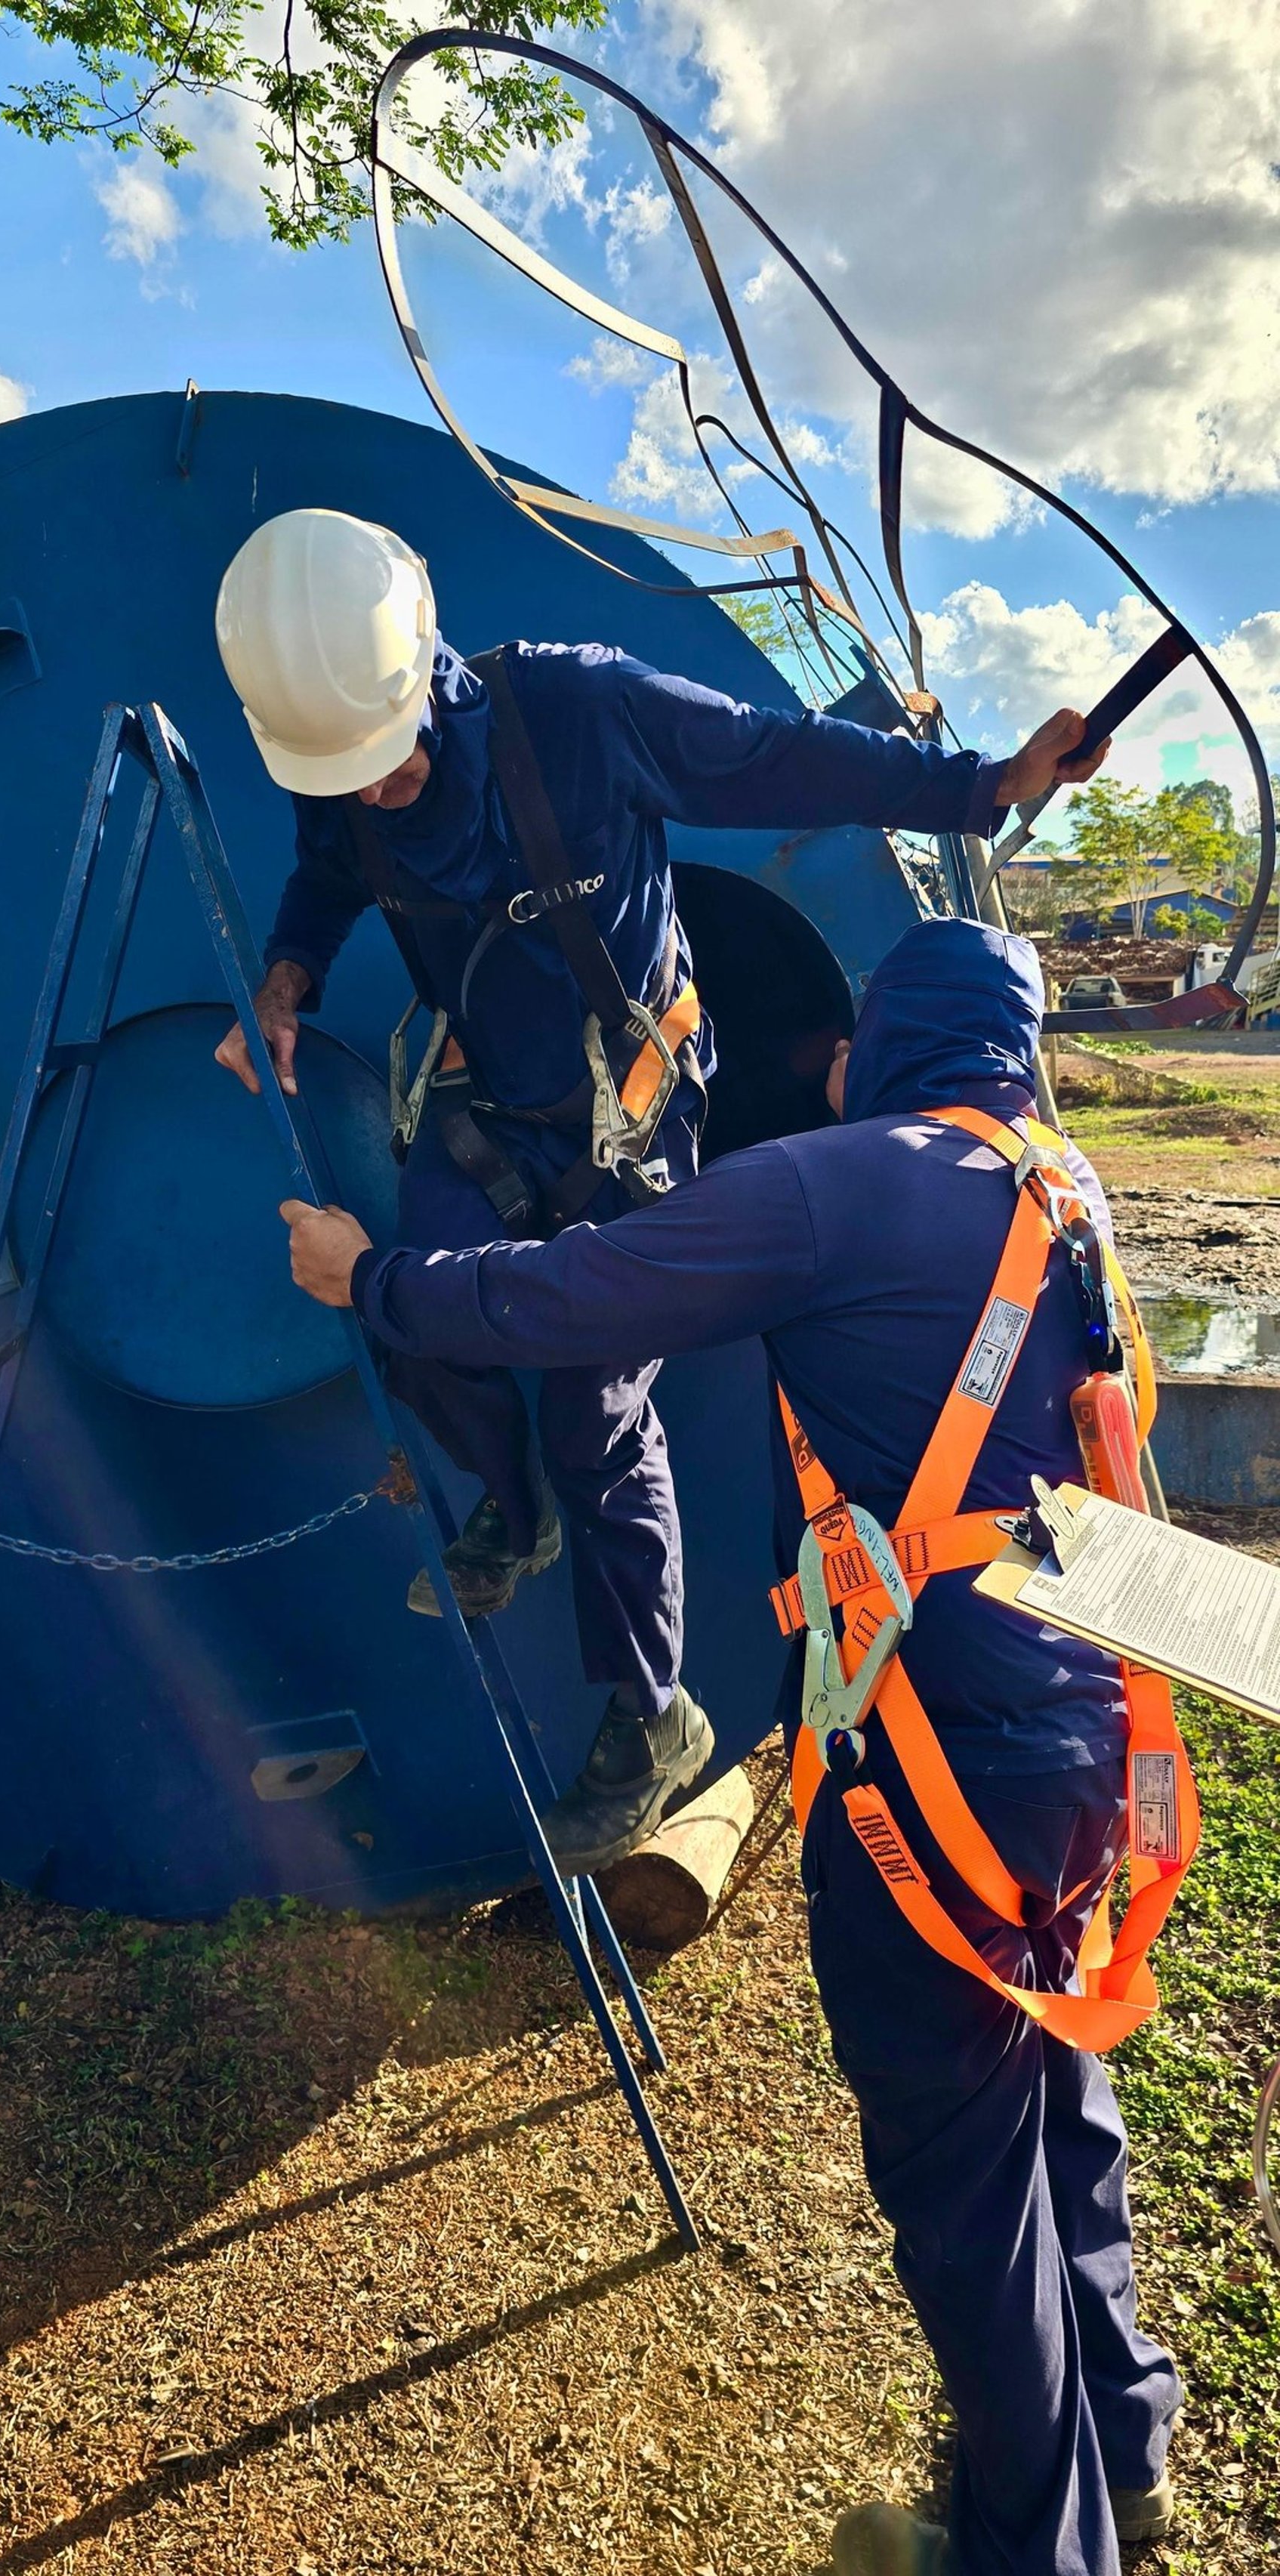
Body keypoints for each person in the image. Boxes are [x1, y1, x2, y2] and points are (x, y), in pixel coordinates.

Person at [279, 917, 1182, 2576]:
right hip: (1084, 1740)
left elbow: (576, 1293)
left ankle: (1032, 2551)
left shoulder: (839, 1185)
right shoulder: (1067, 1193)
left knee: (966, 2183)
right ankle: (1123, 2444)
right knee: (1054, 2076)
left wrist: (373, 1277)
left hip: (937, 1763)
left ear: (884, 1041)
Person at [215, 502, 1106, 1876]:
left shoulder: (580, 712)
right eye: (348, 775)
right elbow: (325, 878)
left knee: (596, 1409)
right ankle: (514, 1507)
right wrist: (285, 983)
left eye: (391, 759)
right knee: (415, 1323)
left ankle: (653, 1717)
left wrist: (981, 784)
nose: (377, 790)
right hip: (486, 1111)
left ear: (426, 664)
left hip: (628, 1122)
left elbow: (780, 758)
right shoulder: (334, 766)